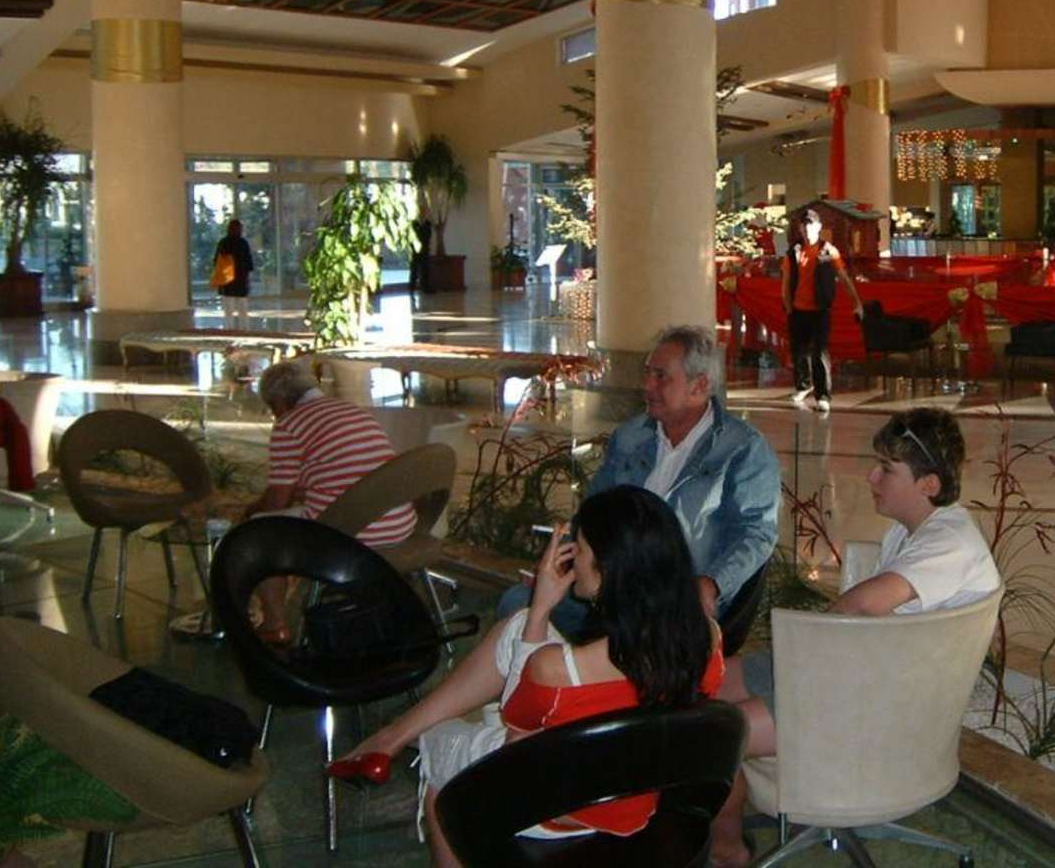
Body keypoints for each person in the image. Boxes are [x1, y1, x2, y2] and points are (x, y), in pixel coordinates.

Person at [331, 486, 725, 865]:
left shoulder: (558, 668)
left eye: (579, 548)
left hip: (560, 809)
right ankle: (390, 738)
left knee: (440, 741)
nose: (573, 560)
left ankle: (396, 743)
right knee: (517, 626)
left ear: (606, 568)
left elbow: (515, 749)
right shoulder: (706, 637)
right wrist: (531, 619)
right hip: (639, 790)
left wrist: (541, 607)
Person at [707, 407, 1000, 868]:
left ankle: (727, 850)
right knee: (706, 682)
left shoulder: (950, 543)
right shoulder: (916, 531)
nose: (870, 477)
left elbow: (860, 606)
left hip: (872, 708)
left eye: (886, 468)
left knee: (709, 734)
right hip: (860, 675)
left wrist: (802, 658)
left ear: (928, 484)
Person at [496, 324, 780, 636]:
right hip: (608, 588)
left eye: (661, 376)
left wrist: (712, 584)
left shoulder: (742, 449)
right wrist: (560, 564)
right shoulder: (631, 436)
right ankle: (563, 666)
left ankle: (578, 663)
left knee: (625, 633)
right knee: (518, 604)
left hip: (675, 599)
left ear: (699, 386)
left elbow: (756, 534)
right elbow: (593, 514)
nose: (647, 385)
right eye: (647, 374)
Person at [242, 360, 416, 644]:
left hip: (352, 534)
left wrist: (250, 511)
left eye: (272, 408)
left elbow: (277, 500)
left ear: (280, 401)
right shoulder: (354, 411)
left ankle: (275, 625)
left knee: (258, 533)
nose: (274, 415)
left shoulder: (289, 425)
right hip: (400, 525)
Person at [781, 208, 863, 414]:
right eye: (804, 226)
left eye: (811, 225)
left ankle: (823, 396)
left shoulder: (828, 251)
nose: (807, 230)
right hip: (798, 310)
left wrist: (857, 303)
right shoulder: (793, 253)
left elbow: (843, 278)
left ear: (818, 227)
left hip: (820, 310)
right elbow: (786, 282)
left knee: (819, 352)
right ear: (800, 229)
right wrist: (788, 306)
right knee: (799, 352)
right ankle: (803, 385)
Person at [214, 219, 254, 331]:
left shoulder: (223, 243)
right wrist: (247, 275)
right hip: (241, 279)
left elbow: (217, 261)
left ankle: (229, 329)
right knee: (243, 307)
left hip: (228, 280)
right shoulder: (243, 243)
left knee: (228, 308)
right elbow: (249, 262)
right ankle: (244, 329)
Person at [410, 210, 434, 293]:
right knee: (414, 269)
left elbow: (428, 236)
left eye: (424, 213)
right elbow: (413, 237)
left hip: (425, 250)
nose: (422, 215)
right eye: (421, 213)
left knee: (425, 270)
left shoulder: (427, 224)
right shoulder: (414, 224)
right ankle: (412, 287)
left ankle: (425, 287)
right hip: (416, 251)